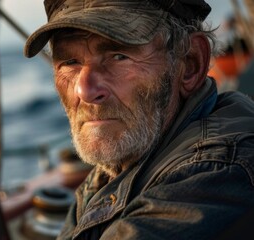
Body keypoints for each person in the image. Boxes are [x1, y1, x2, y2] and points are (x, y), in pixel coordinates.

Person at [24, 0, 254, 239]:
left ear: (190, 64)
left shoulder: (216, 174)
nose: (84, 90)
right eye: (70, 62)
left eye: (118, 56)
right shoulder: (124, 159)